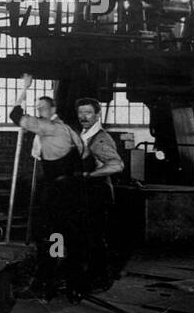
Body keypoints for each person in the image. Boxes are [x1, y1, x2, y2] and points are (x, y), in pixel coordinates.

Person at [10, 80, 87, 300]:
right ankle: (72, 286)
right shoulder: (67, 130)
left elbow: (15, 115)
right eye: (37, 109)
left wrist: (24, 86)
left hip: (60, 191)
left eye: (43, 108)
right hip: (71, 189)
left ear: (53, 110)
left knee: (49, 235)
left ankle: (46, 284)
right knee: (66, 237)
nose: (39, 112)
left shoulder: (50, 127)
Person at [76, 97, 124, 292]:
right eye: (80, 113)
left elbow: (117, 165)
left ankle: (100, 280)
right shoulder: (84, 135)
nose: (83, 117)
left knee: (95, 238)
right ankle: (88, 277)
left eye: (88, 113)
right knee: (85, 237)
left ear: (97, 115)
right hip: (85, 195)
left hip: (98, 194)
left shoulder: (100, 138)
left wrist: (90, 175)